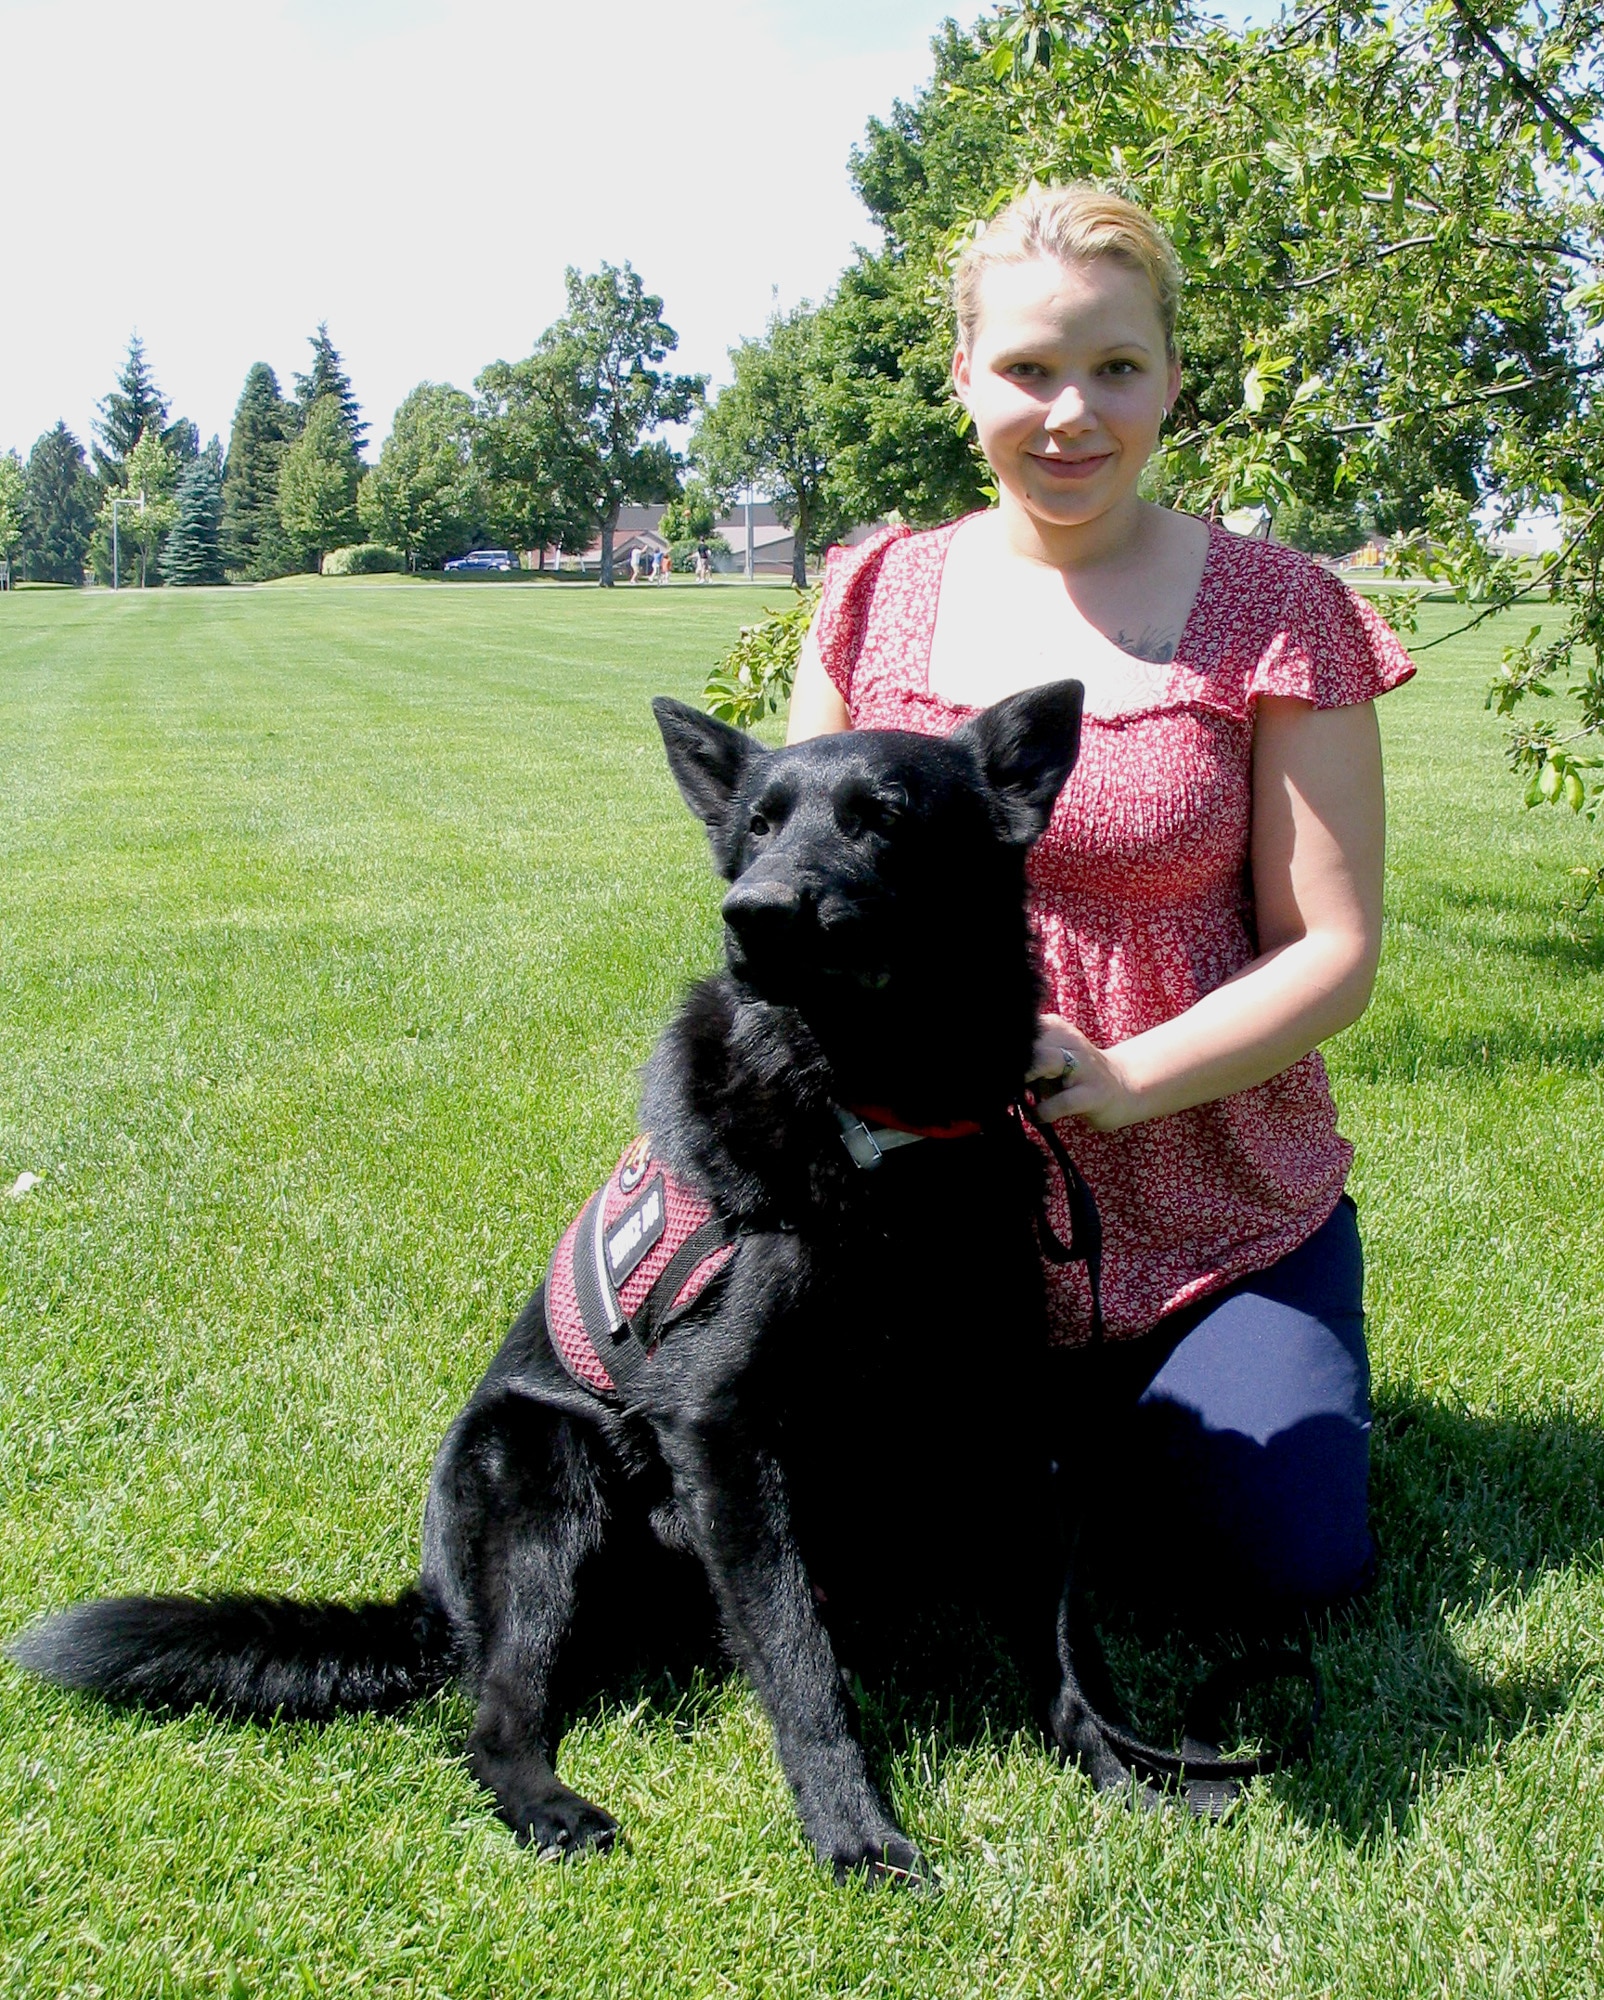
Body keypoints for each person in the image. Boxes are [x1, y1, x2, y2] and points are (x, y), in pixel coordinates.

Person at [786, 182, 1414, 1630]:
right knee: (871, 1584)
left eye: (1116, 368)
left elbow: (1336, 950)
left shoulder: (1280, 610)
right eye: (1029, 369)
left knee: (1273, 1564)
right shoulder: (873, 592)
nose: (1072, 414)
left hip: (1214, 1204)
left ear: (1172, 381)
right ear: (964, 379)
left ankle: (1187, 1390)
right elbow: (795, 896)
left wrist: (1125, 1078)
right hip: (923, 1214)